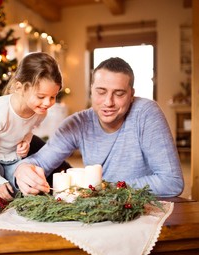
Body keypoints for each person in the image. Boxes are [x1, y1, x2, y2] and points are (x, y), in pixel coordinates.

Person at [14, 57, 184, 198]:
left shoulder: (146, 113)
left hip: (140, 208)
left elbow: (172, 182)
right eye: (101, 92)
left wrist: (103, 188)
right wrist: (22, 170)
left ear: (132, 95)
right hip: (99, 209)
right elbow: (39, 162)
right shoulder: (78, 123)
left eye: (119, 94)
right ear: (91, 90)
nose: (108, 102)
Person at [0, 52, 63, 201]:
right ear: (20, 88)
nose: (47, 103)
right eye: (41, 96)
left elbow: (29, 129)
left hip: (11, 158)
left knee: (26, 189)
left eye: (53, 96)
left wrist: (26, 141)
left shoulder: (40, 112)